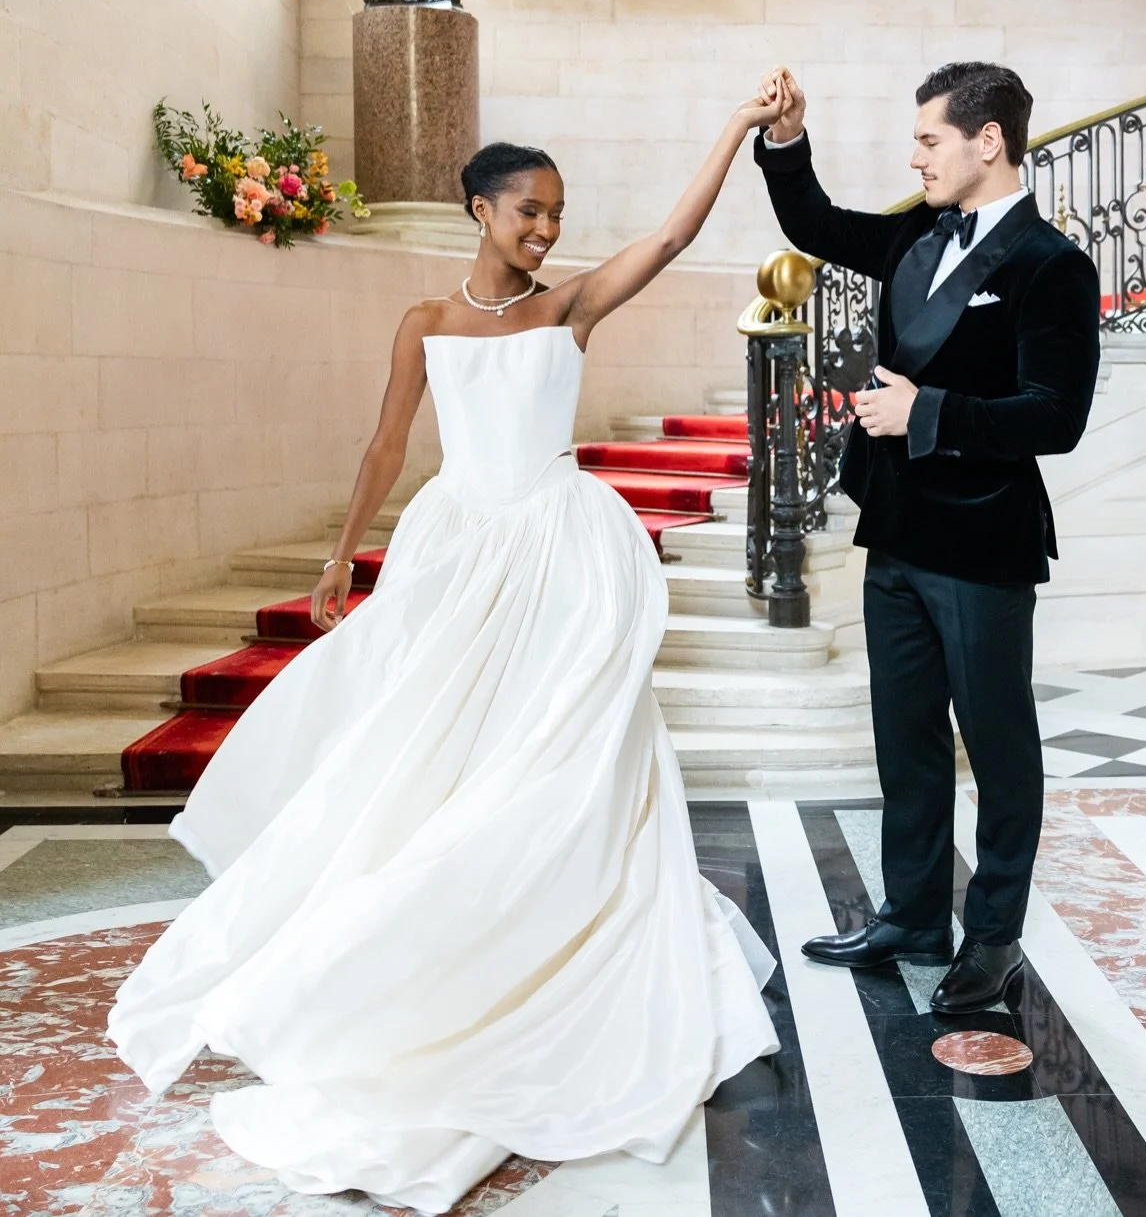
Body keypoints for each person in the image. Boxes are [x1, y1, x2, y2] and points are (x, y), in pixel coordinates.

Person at [108, 90, 788, 1216]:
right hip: (456, 551)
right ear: (479, 207)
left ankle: (544, 915)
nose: (547, 230)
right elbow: (387, 441)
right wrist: (340, 556)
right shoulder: (424, 319)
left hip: (562, 555)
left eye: (558, 214)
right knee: (430, 753)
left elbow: (668, 236)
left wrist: (729, 130)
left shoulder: (567, 308)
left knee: (558, 748)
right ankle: (418, 942)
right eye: (529, 210)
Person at [754, 61, 1100, 1013]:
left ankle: (993, 938)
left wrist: (928, 410)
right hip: (897, 533)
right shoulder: (917, 228)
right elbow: (818, 228)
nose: (915, 156)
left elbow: (1055, 415)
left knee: (997, 744)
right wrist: (787, 138)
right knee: (904, 737)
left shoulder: (1052, 265)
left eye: (929, 140)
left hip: (984, 543)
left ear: (988, 141)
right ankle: (911, 912)